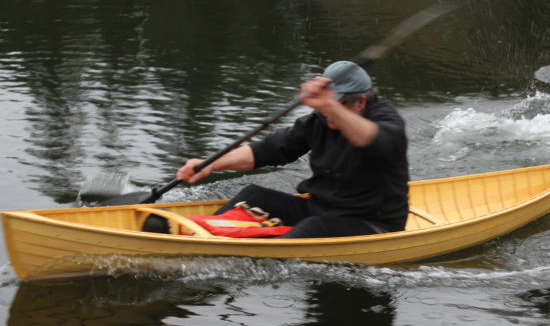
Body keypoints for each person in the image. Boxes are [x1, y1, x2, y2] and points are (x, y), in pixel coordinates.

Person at [175, 61, 409, 239]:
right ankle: (200, 234)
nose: (329, 115)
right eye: (327, 107)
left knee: (312, 228)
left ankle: (226, 251)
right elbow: (265, 151)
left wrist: (328, 105)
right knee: (253, 195)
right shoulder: (319, 120)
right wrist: (210, 165)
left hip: (373, 224)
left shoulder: (387, 121)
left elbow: (372, 140)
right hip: (321, 210)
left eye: (339, 106)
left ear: (362, 102)